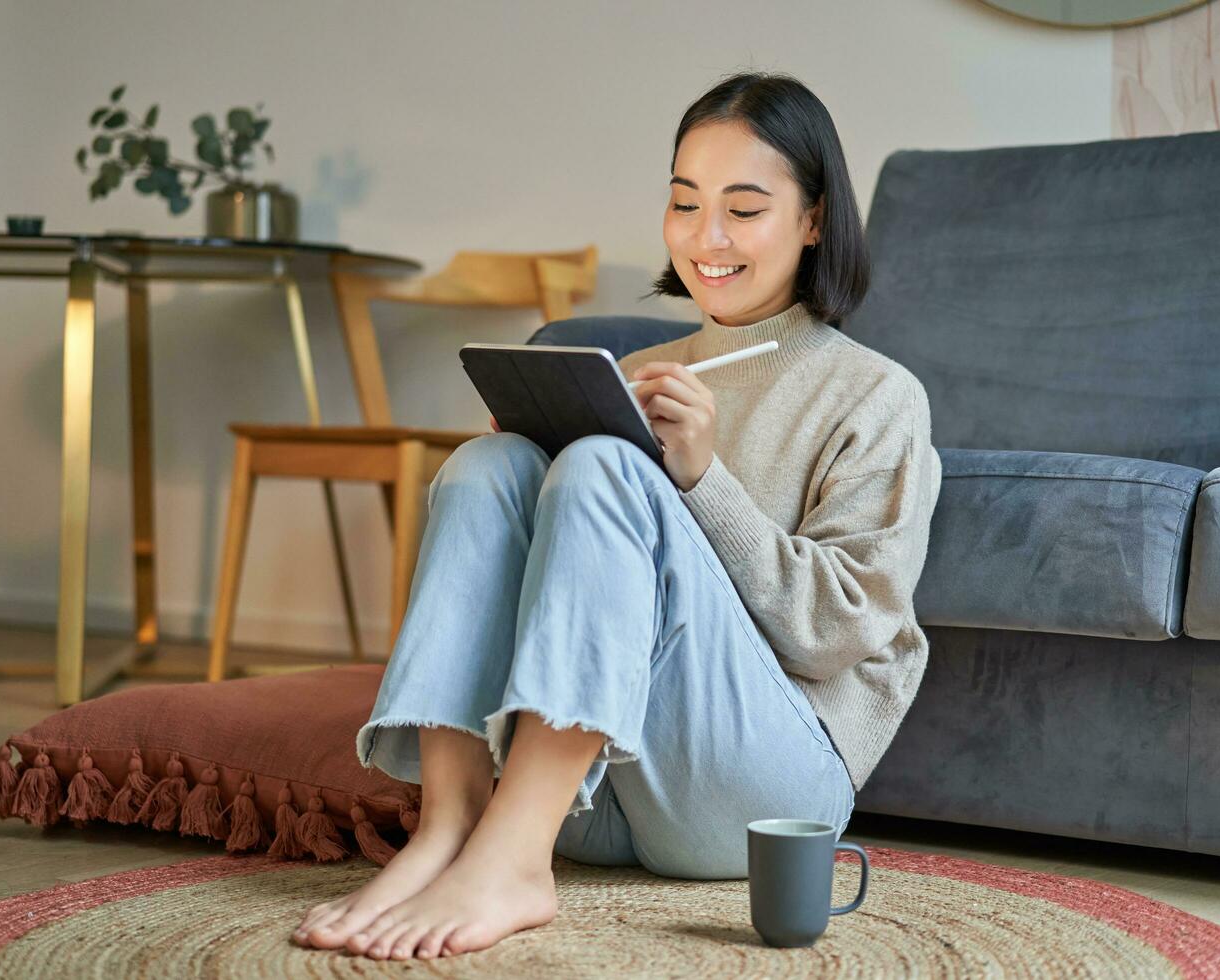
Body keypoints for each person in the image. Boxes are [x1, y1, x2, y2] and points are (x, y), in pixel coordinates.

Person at [291, 70, 942, 962]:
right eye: (684, 203)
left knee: (606, 463)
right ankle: (454, 825)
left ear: (815, 219)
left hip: (759, 800)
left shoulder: (877, 396)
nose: (705, 237)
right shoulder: (645, 365)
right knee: (491, 463)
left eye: (744, 209)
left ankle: (512, 863)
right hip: (591, 801)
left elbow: (836, 634)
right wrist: (532, 465)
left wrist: (701, 478)